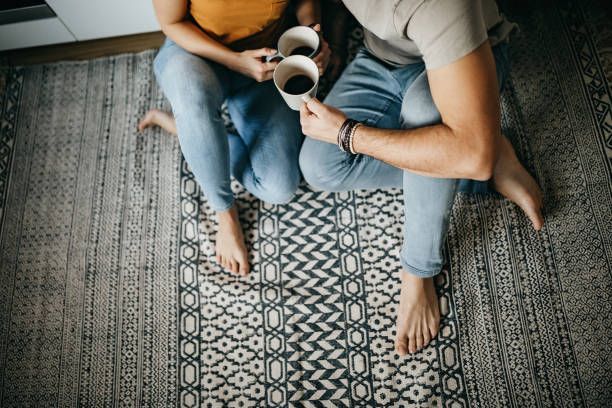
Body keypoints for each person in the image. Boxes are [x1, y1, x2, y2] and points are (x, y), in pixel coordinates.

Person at [298, 0, 544, 356]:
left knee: (430, 118)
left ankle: (418, 271)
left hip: (470, 60)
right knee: (319, 166)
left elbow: (470, 154)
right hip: (380, 58)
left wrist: (348, 133)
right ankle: (490, 157)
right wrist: (319, 34)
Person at [139, 0, 331, 276]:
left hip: (267, 59)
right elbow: (171, 23)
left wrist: (312, 34)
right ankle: (224, 213)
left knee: (279, 188)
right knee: (193, 103)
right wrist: (233, 61)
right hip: (196, 53)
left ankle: (185, 130)